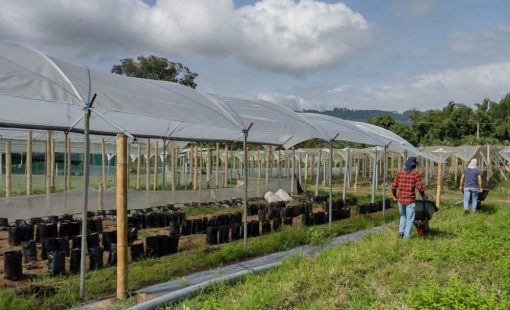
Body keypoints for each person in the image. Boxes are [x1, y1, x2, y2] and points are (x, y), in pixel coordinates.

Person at [392, 157, 425, 240]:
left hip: (400, 200)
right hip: (410, 201)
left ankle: (401, 232)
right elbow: (420, 188)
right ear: (414, 166)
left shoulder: (400, 173)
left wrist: (395, 195)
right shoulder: (415, 174)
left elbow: (393, 187)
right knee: (410, 219)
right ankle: (406, 238)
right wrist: (423, 195)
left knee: (403, 216)